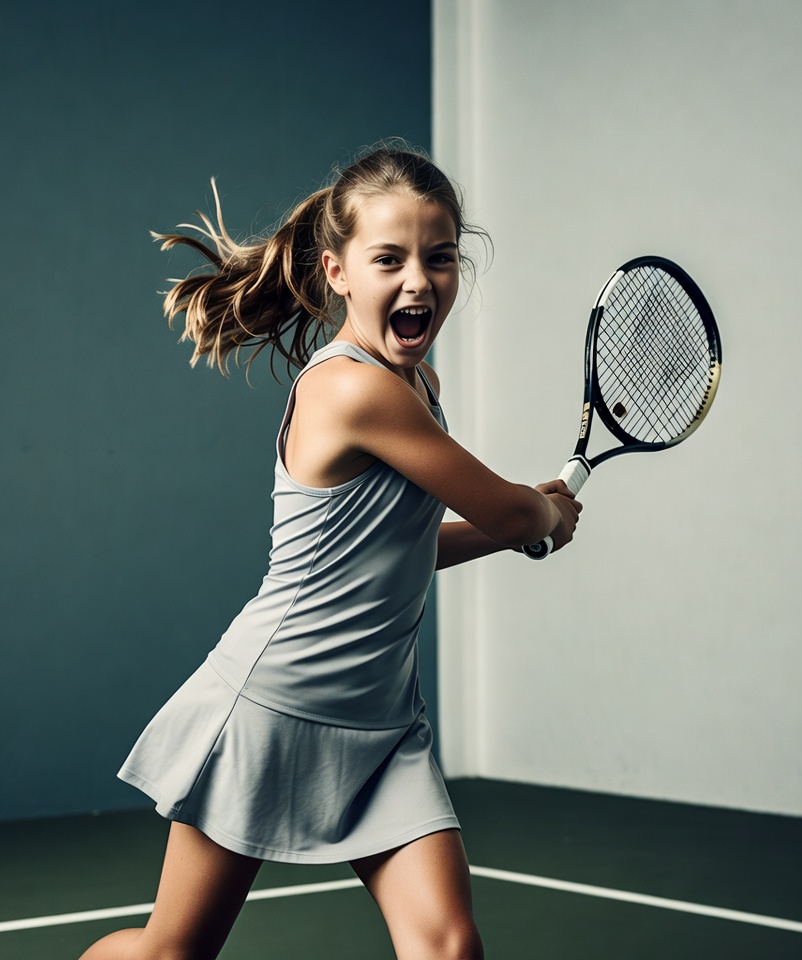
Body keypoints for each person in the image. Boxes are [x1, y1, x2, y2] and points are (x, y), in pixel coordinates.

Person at [78, 144, 581, 960]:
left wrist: (525, 521)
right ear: (338, 271)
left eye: (440, 257)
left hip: (383, 724)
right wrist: (538, 515)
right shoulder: (355, 390)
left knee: (448, 948)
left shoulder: (420, 388)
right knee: (170, 953)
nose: (419, 280)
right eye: (390, 259)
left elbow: (408, 545)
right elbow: (499, 505)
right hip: (271, 709)